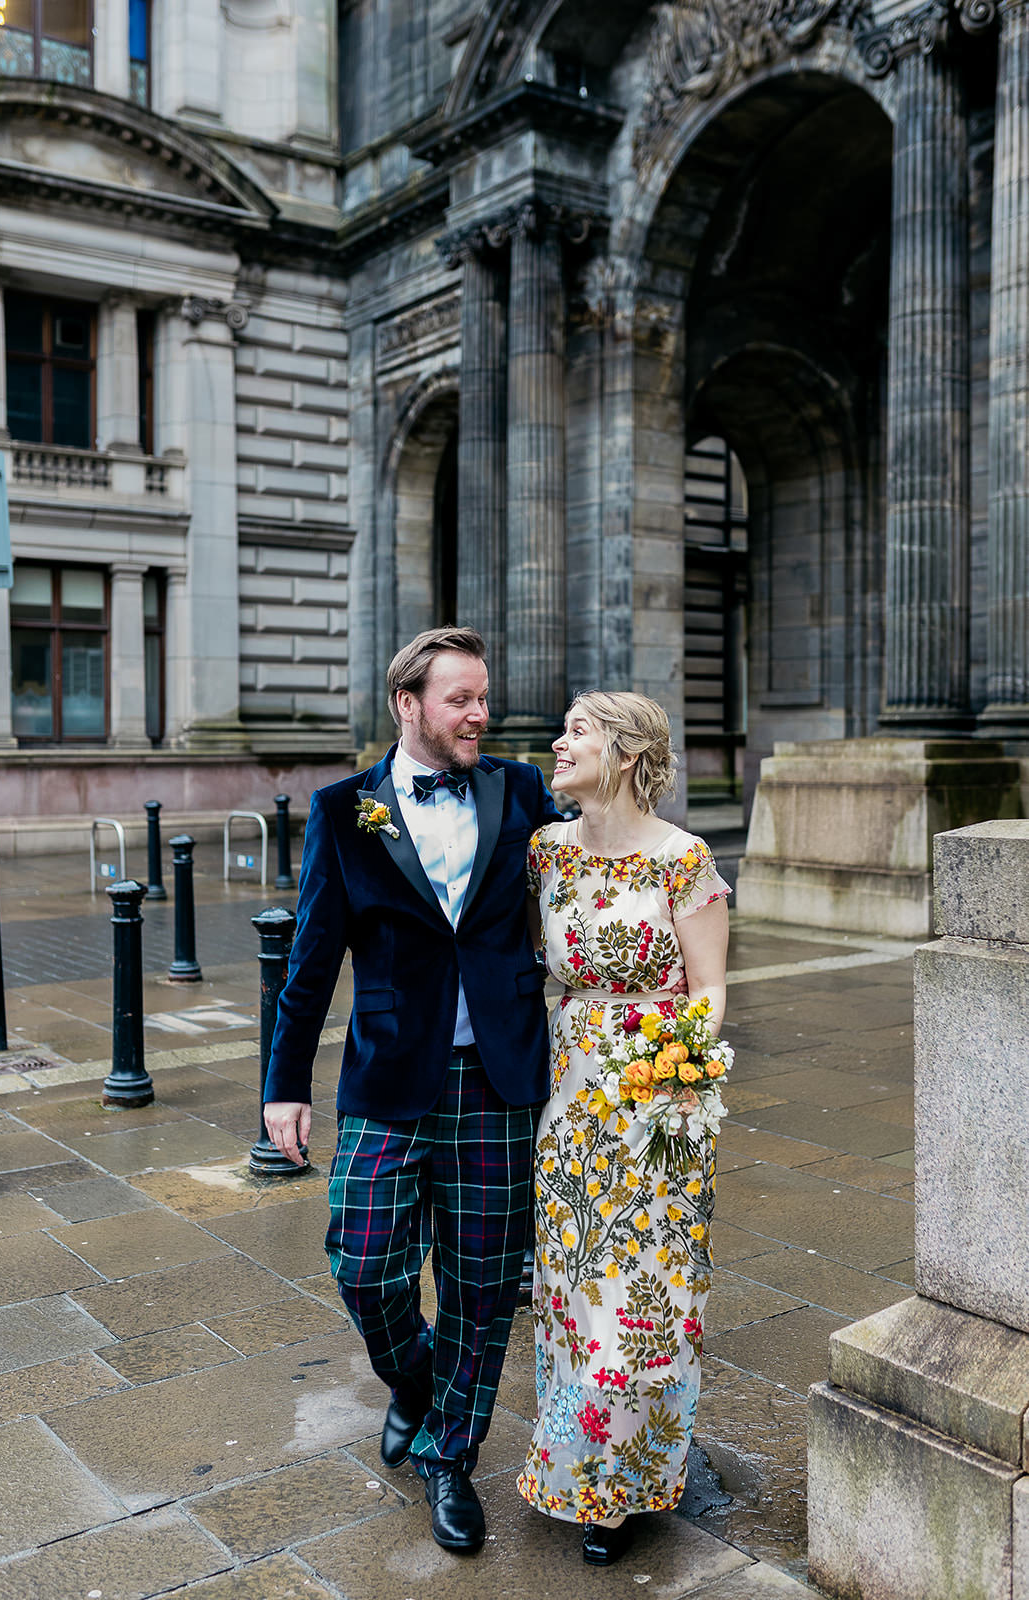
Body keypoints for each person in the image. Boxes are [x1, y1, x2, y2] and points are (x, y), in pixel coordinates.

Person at [263, 625, 560, 1556]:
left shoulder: (519, 788)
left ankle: (448, 1455)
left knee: (479, 1286)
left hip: (500, 1076)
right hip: (391, 1072)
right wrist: (283, 1085)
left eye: (483, 697)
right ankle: (416, 1380)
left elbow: (590, 875)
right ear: (407, 705)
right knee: (363, 1261)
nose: (480, 714)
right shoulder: (345, 810)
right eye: (460, 699)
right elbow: (309, 961)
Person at [516, 690, 730, 1566]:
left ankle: (633, 1476)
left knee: (647, 1299)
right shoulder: (544, 853)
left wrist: (672, 1075)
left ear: (628, 752)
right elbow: (530, 964)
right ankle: (578, 1471)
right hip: (570, 1096)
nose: (557, 744)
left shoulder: (682, 858)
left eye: (577, 731)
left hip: (658, 1100)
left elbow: (710, 991)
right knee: (570, 1290)